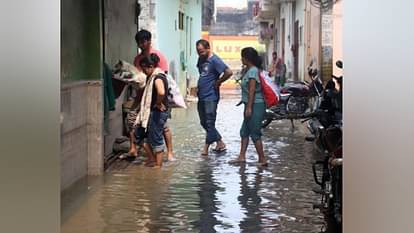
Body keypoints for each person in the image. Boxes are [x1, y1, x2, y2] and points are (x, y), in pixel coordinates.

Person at [127, 29, 174, 161]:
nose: (141, 45)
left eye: (143, 42)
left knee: (162, 127)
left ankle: (169, 153)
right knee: (134, 122)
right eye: (138, 42)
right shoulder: (137, 59)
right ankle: (136, 150)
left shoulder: (158, 58)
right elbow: (137, 77)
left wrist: (159, 102)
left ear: (149, 41)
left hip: (156, 100)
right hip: (142, 96)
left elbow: (162, 83)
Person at [230, 47, 268, 166]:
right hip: (249, 104)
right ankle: (242, 156)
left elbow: (252, 90)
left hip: (256, 105)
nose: (241, 59)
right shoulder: (248, 70)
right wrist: (244, 103)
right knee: (244, 131)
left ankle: (262, 159)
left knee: (255, 132)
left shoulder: (252, 71)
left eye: (242, 57)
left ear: (247, 58)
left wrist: (249, 107)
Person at [195, 39, 233, 156]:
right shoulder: (201, 60)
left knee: (210, 122)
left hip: (211, 96)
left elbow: (228, 72)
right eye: (198, 51)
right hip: (201, 95)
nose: (200, 54)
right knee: (203, 122)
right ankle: (220, 142)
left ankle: (205, 148)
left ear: (208, 48)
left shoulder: (215, 60)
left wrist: (219, 82)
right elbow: (202, 74)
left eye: (201, 51)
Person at [134, 53, 170, 168]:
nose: (143, 71)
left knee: (156, 138)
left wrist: (158, 103)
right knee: (138, 135)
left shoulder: (157, 77)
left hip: (158, 113)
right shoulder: (153, 77)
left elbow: (161, 92)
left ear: (149, 66)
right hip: (151, 112)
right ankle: (152, 159)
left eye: (143, 68)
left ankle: (158, 166)